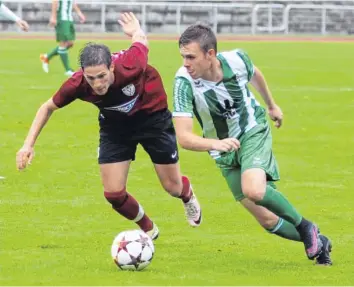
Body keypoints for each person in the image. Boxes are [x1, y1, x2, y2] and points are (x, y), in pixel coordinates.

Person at [17, 12, 202, 240]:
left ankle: (187, 195)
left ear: (112, 68)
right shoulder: (77, 84)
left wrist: (134, 30)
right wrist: (28, 145)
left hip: (152, 118)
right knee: (113, 193)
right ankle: (148, 229)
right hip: (116, 128)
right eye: (90, 78)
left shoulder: (131, 63)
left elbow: (141, 41)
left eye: (102, 76)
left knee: (172, 187)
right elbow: (47, 107)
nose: (97, 83)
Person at [172, 23, 332, 265]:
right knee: (268, 220)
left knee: (254, 190)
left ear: (210, 54)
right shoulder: (183, 82)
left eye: (191, 57)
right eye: (183, 56)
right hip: (222, 150)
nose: (185, 63)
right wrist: (217, 143)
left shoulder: (236, 60)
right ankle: (319, 241)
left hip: (251, 130)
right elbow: (184, 138)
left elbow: (255, 73)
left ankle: (305, 226)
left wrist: (271, 105)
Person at [40, 0, 86, 77]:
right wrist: (53, 16)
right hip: (61, 18)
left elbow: (73, 3)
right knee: (63, 43)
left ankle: (46, 57)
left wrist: (79, 13)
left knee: (70, 43)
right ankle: (68, 70)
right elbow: (55, 1)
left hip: (69, 19)